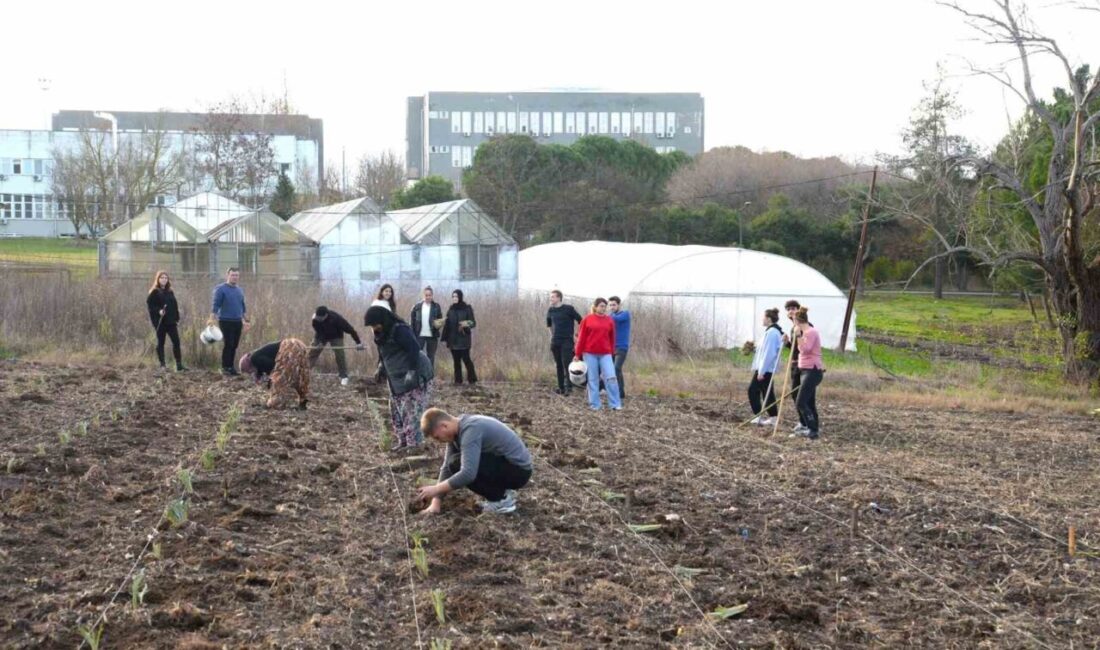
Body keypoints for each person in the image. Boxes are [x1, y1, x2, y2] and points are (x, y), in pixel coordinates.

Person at [417, 408, 533, 515]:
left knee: (458, 464)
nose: (439, 441)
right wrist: (436, 502)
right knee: (453, 463)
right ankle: (502, 492)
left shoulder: (470, 430)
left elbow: (468, 474)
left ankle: (501, 500)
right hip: (509, 467)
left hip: (519, 471)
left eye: (437, 437)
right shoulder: (458, 430)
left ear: (444, 426)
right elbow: (446, 468)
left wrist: (436, 489)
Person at [365, 305, 433, 450]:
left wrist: (412, 372)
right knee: (396, 410)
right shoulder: (380, 335)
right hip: (395, 376)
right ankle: (403, 442)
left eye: (375, 324)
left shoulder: (400, 330)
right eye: (371, 326)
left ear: (382, 321)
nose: (374, 328)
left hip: (415, 372)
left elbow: (414, 349)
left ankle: (414, 445)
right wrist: (380, 368)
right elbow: (384, 355)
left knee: (411, 410)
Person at [574, 298, 622, 411]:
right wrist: (577, 353)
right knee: (593, 379)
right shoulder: (587, 320)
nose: (603, 308)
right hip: (589, 353)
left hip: (605, 353)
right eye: (601, 306)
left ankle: (615, 404)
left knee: (611, 377)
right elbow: (581, 338)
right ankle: (595, 405)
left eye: (605, 306)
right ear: (595, 307)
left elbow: (612, 338)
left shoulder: (609, 320)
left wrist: (612, 352)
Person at [240, 338, 310, 409]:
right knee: (300, 376)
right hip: (299, 345)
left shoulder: (254, 359)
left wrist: (270, 381)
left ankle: (274, 404)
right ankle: (302, 401)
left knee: (278, 378)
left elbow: (273, 367)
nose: (250, 372)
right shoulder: (258, 355)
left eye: (248, 371)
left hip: (289, 348)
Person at [208, 267, 250, 376]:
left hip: (237, 321)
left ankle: (231, 367)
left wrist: (246, 320)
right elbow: (215, 305)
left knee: (234, 345)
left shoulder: (239, 290)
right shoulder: (220, 289)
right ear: (227, 275)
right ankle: (225, 367)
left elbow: (242, 306)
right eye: (232, 275)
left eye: (236, 275)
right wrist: (211, 318)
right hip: (225, 321)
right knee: (229, 344)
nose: (235, 277)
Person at [308, 306, 363, 386]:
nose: (318, 319)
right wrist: (320, 342)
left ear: (326, 315)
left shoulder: (336, 319)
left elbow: (351, 330)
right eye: (317, 317)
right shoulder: (315, 319)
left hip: (336, 336)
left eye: (320, 318)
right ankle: (305, 372)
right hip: (322, 335)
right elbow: (318, 331)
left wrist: (358, 343)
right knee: (312, 352)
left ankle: (343, 376)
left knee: (340, 354)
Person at [792, 307, 824, 440]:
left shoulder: (810, 332)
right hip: (805, 370)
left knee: (801, 402)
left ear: (797, 321)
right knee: (809, 402)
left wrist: (798, 335)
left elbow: (805, 350)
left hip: (812, 370)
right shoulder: (806, 332)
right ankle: (813, 429)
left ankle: (811, 429)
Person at [782, 299, 812, 434]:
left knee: (803, 396)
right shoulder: (793, 328)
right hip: (795, 364)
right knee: (795, 394)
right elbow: (796, 348)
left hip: (804, 365)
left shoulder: (806, 326)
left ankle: (808, 423)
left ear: (799, 310)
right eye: (788, 309)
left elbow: (806, 348)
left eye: (793, 308)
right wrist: (788, 343)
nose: (791, 311)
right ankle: (803, 421)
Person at [748, 308, 783, 426]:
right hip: (765, 368)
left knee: (753, 390)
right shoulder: (770, 331)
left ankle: (758, 417)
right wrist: (753, 348)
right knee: (767, 392)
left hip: (765, 369)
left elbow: (769, 353)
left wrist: (761, 371)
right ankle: (773, 418)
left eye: (763, 317)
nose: (762, 319)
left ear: (768, 319)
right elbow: (763, 349)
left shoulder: (773, 332)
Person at [146, 270, 185, 372]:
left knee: (176, 342)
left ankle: (179, 365)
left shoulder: (170, 292)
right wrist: (159, 311)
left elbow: (174, 306)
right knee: (161, 343)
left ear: (168, 280)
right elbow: (150, 306)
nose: (164, 279)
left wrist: (177, 318)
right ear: (158, 279)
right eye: (162, 278)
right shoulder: (154, 292)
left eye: (165, 278)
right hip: (160, 322)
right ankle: (162, 364)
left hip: (171, 322)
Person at [546, 290, 583, 395]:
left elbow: (581, 321)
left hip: (567, 340)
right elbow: (548, 325)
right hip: (555, 341)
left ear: (559, 298)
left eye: (553, 297)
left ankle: (568, 388)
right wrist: (552, 336)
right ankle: (561, 387)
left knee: (566, 363)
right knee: (558, 365)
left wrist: (577, 335)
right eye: (551, 296)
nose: (551, 299)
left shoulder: (569, 309)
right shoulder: (551, 310)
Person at [441, 289, 478, 385]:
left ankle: (472, 380)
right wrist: (444, 336)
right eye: (453, 296)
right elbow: (447, 325)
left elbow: (473, 323)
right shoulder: (451, 310)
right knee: (456, 362)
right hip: (453, 340)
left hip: (464, 339)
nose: (454, 298)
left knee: (466, 359)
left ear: (460, 297)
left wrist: (465, 324)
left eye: (456, 296)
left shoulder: (467, 308)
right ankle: (458, 381)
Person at [410, 286, 443, 373]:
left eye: (430, 295)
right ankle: (418, 375)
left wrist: (438, 324)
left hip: (432, 335)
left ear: (432, 296)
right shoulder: (417, 306)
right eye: (426, 295)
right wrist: (412, 335)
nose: (428, 297)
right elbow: (412, 322)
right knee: (418, 355)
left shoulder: (436, 306)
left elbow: (440, 320)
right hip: (419, 335)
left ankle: (429, 376)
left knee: (431, 357)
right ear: (423, 295)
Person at [608, 296, 631, 401]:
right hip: (611, 347)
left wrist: (604, 316)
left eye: (614, 305)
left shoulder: (625, 314)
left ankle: (621, 392)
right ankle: (612, 390)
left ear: (619, 305)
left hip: (622, 346)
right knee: (610, 370)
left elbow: (616, 319)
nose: (612, 307)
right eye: (610, 305)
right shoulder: (610, 316)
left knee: (616, 368)